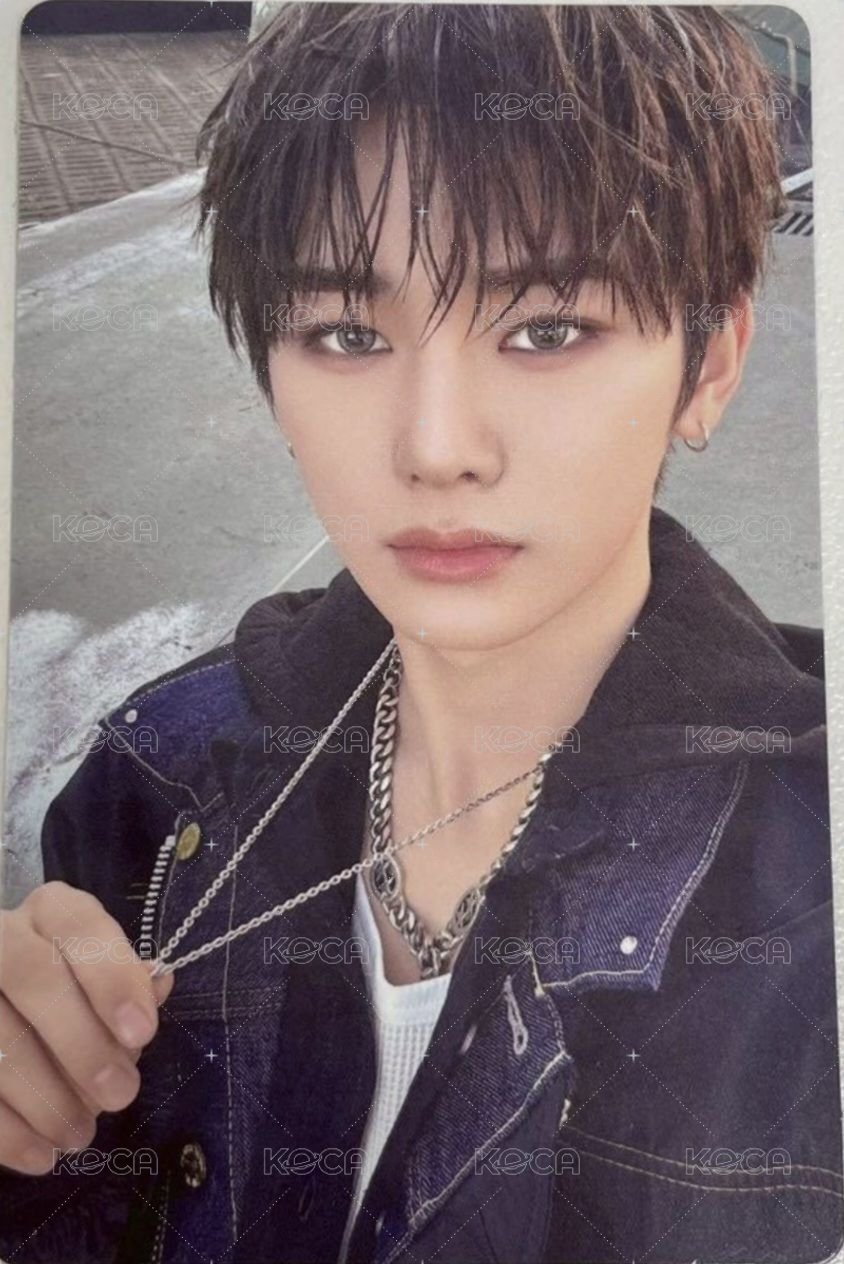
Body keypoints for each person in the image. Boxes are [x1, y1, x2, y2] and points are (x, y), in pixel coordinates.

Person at [0, 5, 841, 1262]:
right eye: (347, 335)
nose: (436, 447)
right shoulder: (158, 785)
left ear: (709, 359)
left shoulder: (807, 896)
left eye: (545, 329)